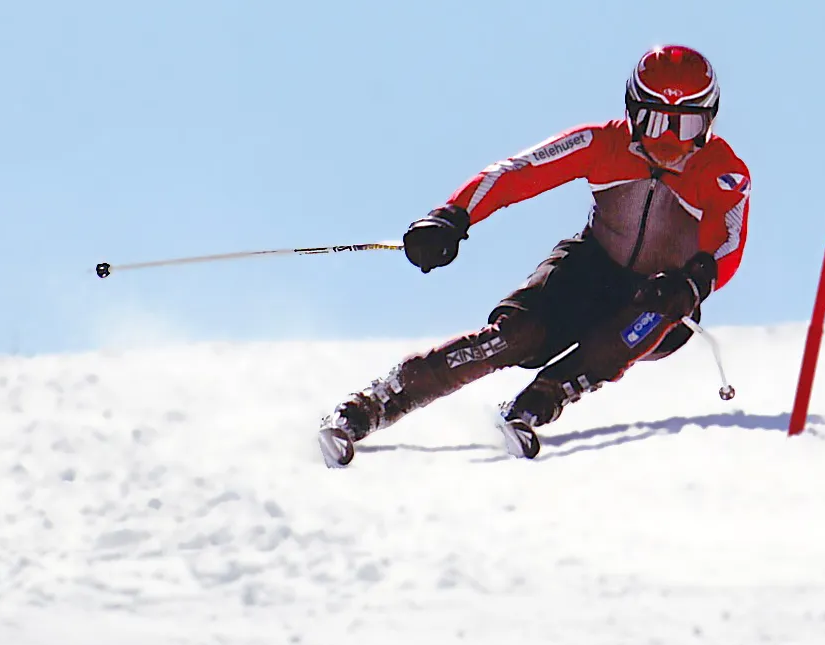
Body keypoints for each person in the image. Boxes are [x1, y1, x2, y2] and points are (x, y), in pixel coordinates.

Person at [318, 45, 750, 466]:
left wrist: (693, 283)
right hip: (588, 271)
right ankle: (371, 405)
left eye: (687, 125)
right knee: (517, 335)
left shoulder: (723, 172)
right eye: (655, 122)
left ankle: (544, 398)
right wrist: (452, 216)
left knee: (646, 320)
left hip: (660, 295)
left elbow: (727, 241)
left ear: (709, 121)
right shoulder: (602, 143)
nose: (671, 142)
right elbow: (516, 174)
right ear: (632, 112)